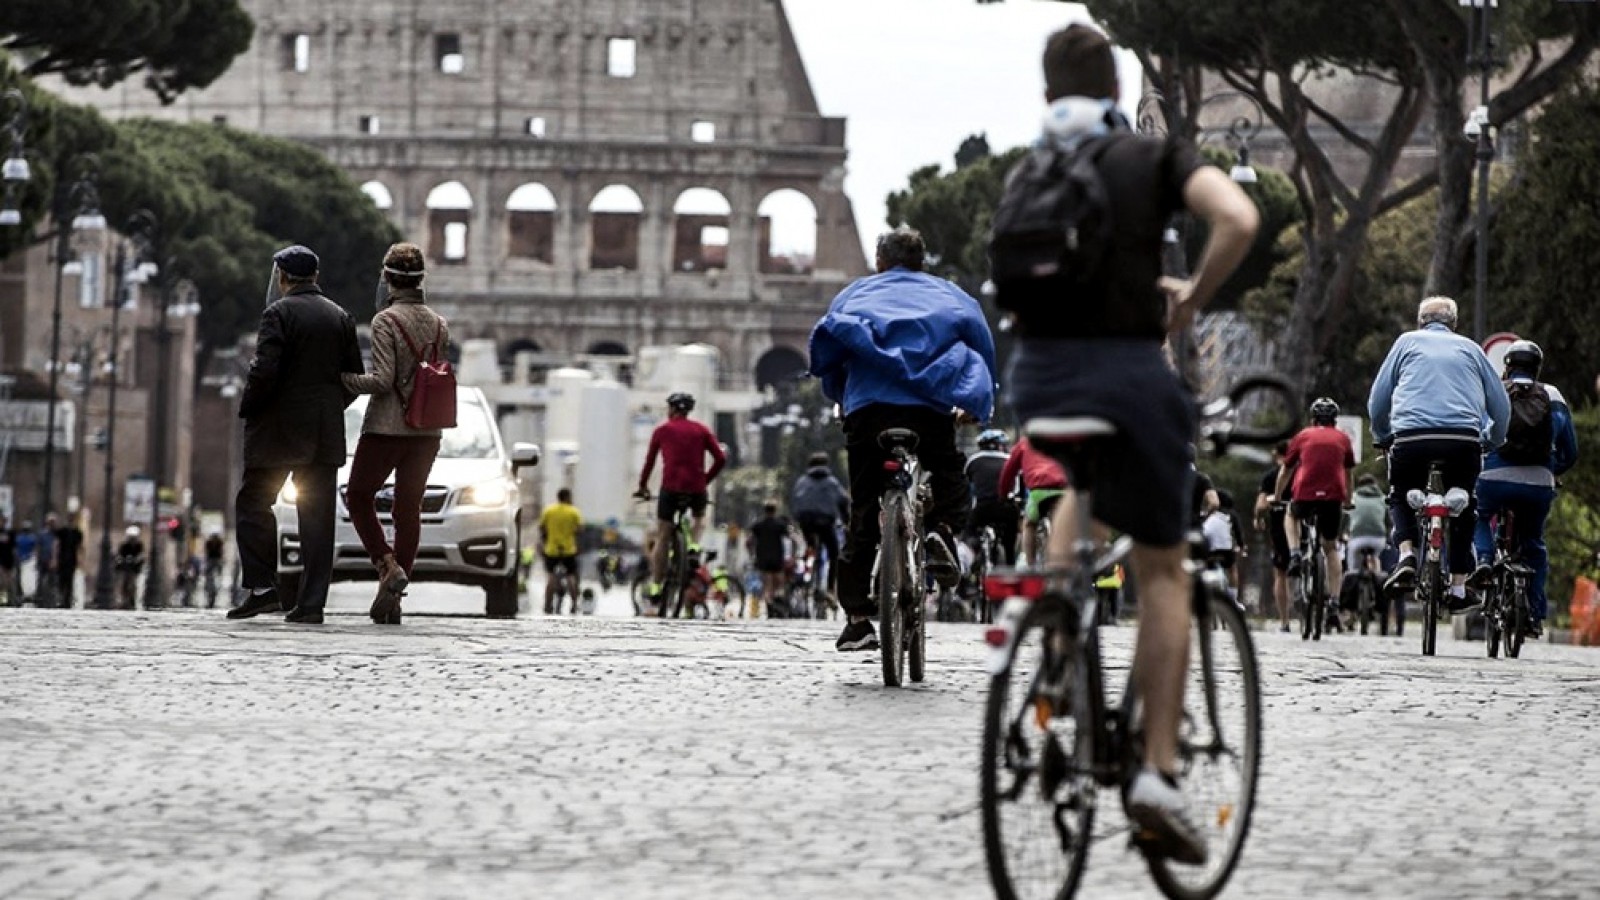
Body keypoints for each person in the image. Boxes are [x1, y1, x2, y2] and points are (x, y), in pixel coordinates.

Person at [998, 25, 1259, 864]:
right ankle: (1153, 774)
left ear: (1048, 95)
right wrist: (1188, 302)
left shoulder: (1029, 167)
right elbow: (1240, 218)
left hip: (1037, 384)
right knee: (1162, 571)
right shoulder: (1152, 159)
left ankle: (1055, 643)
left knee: (1081, 481)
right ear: (1116, 88)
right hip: (1126, 379)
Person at [808, 227, 997, 652]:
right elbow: (982, 353)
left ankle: (857, 619)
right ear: (921, 262)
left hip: (867, 410)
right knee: (948, 471)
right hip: (929, 409)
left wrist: (841, 398)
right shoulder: (952, 296)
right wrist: (974, 402)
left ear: (879, 262)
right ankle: (944, 533)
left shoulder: (854, 295)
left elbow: (833, 351)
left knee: (862, 511)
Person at [230, 244, 364, 625]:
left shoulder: (278, 313)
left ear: (283, 277)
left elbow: (265, 371)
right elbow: (352, 377)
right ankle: (311, 604)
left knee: (254, 502)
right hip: (323, 434)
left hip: (276, 431)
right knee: (317, 517)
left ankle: (262, 588)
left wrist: (250, 407)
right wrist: (327, 408)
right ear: (316, 277)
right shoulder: (341, 316)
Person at [1368, 296, 1510, 611]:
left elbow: (1377, 402)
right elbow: (1501, 406)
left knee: (1400, 492)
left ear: (1421, 322)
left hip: (1411, 438)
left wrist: (1382, 436)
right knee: (1467, 504)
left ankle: (1406, 554)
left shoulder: (1406, 343)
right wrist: (1492, 440)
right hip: (1463, 441)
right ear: (1454, 324)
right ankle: (1459, 586)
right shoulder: (1471, 349)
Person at [341, 242, 450, 626]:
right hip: (427, 430)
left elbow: (383, 380)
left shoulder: (385, 321)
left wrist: (346, 380)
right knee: (408, 509)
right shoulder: (439, 323)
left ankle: (386, 565)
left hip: (387, 427)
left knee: (357, 495)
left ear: (388, 279)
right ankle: (396, 594)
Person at [1468, 340, 1578, 639]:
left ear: (1507, 365)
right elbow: (1570, 450)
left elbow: (1476, 435)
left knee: (1479, 516)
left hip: (1493, 477)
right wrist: (1552, 471)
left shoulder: (1494, 392)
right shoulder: (1552, 395)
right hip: (1539, 482)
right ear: (1537, 367)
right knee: (1534, 544)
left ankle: (1485, 562)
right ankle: (1534, 612)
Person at [635, 393, 726, 604]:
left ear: (673, 409)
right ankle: (693, 546)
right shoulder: (702, 430)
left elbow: (649, 462)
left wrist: (643, 487)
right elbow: (720, 458)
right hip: (696, 487)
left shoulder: (662, 430)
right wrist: (705, 479)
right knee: (700, 517)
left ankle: (657, 585)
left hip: (670, 489)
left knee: (663, 536)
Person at [1276, 398, 1355, 610]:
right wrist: (1348, 500)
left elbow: (1286, 470)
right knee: (1331, 547)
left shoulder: (1302, 436)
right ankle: (1335, 602)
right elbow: (1348, 474)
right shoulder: (1343, 438)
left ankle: (1294, 554)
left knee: (1290, 515)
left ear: (1313, 419)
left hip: (1305, 494)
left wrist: (1277, 496)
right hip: (1333, 497)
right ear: (1335, 420)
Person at [998, 437, 1068, 565]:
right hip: (1063, 489)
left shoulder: (1024, 442)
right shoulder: (1061, 438)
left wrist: (1003, 494)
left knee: (1030, 525)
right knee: (1060, 525)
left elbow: (1009, 471)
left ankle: (1031, 564)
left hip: (1038, 491)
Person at [790, 451, 849, 597]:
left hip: (805, 522)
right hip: (825, 522)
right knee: (834, 554)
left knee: (810, 547)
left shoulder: (802, 481)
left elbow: (795, 500)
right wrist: (846, 521)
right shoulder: (832, 482)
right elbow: (843, 501)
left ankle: (805, 568)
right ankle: (830, 589)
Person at [1253, 442, 1294, 632]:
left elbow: (1261, 506)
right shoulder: (1302, 472)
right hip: (1306, 524)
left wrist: (1259, 518)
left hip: (1280, 528)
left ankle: (1285, 621)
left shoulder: (1270, 477)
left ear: (1275, 453)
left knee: (1281, 572)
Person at [966, 429, 1020, 568]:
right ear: (1001, 445)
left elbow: (967, 485)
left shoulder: (973, 460)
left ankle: (970, 563)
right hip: (1006, 507)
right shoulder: (1009, 460)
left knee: (970, 532)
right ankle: (1010, 563)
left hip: (982, 508)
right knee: (1010, 538)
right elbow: (1020, 488)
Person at [539, 488, 583, 614]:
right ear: (568, 497)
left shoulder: (549, 510)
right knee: (570, 576)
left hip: (552, 548)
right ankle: (574, 605)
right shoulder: (573, 511)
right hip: (569, 548)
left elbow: (542, 527)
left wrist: (547, 538)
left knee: (551, 577)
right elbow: (580, 529)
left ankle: (547, 605)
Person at [747, 500, 792, 618]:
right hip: (777, 559)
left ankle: (769, 604)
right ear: (775, 510)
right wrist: (793, 555)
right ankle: (776, 603)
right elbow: (792, 538)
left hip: (762, 559)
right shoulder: (780, 524)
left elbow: (749, 541)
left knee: (767, 585)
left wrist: (752, 554)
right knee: (779, 584)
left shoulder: (758, 525)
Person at [53, 512, 85, 609]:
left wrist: (81, 560)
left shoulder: (77, 532)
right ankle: (62, 599)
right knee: (62, 580)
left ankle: (67, 599)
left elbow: (80, 547)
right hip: (62, 558)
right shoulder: (62, 531)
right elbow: (57, 545)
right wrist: (54, 558)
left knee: (70, 580)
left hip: (71, 559)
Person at [115, 525, 145, 610]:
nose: (132, 540)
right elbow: (119, 555)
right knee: (124, 583)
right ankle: (123, 599)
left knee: (133, 584)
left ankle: (132, 599)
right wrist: (121, 560)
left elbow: (141, 555)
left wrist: (137, 560)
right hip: (125, 568)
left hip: (135, 568)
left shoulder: (139, 545)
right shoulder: (124, 545)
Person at [203, 532, 226, 608]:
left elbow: (207, 552)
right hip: (213, 561)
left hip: (214, 561)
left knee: (212, 578)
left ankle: (212, 595)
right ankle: (211, 595)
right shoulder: (217, 542)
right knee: (212, 578)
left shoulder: (213, 543)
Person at [0, 514, 16, 606]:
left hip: (9, 560)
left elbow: (14, 548)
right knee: (1, 582)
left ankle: (10, 600)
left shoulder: (10, 533)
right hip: (0, 560)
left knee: (8, 583)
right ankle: (2, 601)